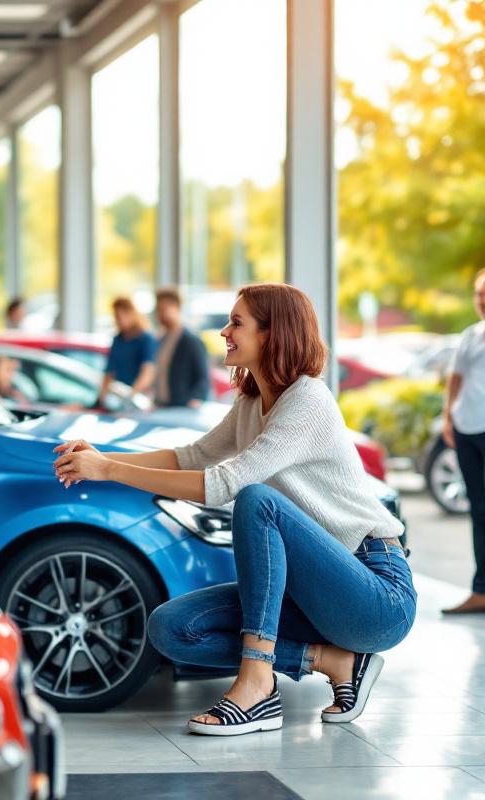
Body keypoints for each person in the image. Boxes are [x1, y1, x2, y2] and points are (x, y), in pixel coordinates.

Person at [54, 283, 414, 736]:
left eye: (236, 323)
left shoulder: (307, 400)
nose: (224, 331)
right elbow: (192, 457)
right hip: (312, 598)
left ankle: (258, 684)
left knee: (257, 501)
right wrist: (102, 459)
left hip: (375, 594)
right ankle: (334, 662)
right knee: (171, 627)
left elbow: (225, 484)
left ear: (272, 333)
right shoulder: (250, 402)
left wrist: (109, 471)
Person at [441, 267, 485, 615]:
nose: (481, 301)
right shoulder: (472, 335)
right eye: (478, 295)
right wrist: (448, 417)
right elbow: (455, 379)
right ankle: (480, 590)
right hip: (468, 430)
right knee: (479, 511)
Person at [153, 287, 212, 408]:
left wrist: (196, 398)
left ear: (177, 308)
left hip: (181, 407)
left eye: (163, 309)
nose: (159, 314)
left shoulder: (191, 341)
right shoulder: (161, 340)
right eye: (158, 310)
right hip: (160, 405)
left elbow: (203, 377)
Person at [99, 296, 156, 406]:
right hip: (119, 398)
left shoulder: (145, 339)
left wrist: (132, 395)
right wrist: (102, 397)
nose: (119, 320)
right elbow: (109, 372)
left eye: (121, 316)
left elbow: (148, 371)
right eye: (116, 317)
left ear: (132, 314)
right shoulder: (117, 340)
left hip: (140, 399)